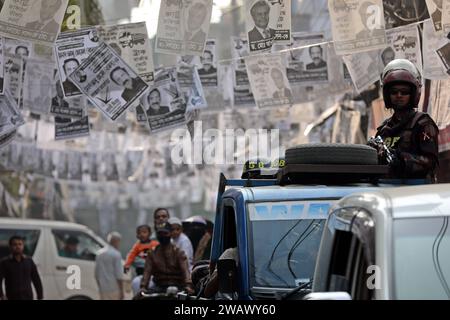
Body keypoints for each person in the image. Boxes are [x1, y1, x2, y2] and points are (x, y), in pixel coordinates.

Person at [372, 59, 439, 181]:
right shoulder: (384, 129)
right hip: (388, 189)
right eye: (394, 92)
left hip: (415, 192)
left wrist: (402, 160)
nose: (399, 95)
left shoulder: (422, 123)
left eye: (405, 92)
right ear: (387, 95)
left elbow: (431, 162)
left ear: (413, 94)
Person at [139, 223, 193, 294]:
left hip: (178, 286)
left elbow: (185, 270)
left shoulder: (178, 252)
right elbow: (147, 272)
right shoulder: (152, 253)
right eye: (160, 233)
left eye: (165, 233)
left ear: (170, 234)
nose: (162, 236)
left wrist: (188, 285)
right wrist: (143, 287)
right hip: (159, 287)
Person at [0, 236, 43, 300]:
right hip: (11, 297)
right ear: (10, 247)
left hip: (27, 297)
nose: (18, 247)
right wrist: (2, 295)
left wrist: (40, 296)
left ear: (23, 246)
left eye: (20, 244)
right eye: (15, 244)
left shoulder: (29, 261)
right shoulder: (5, 263)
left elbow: (36, 280)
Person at [95, 232, 125, 300]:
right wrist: (121, 290)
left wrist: (100, 286)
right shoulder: (116, 254)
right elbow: (119, 275)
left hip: (103, 288)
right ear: (116, 241)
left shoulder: (99, 253)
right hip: (114, 288)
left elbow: (96, 274)